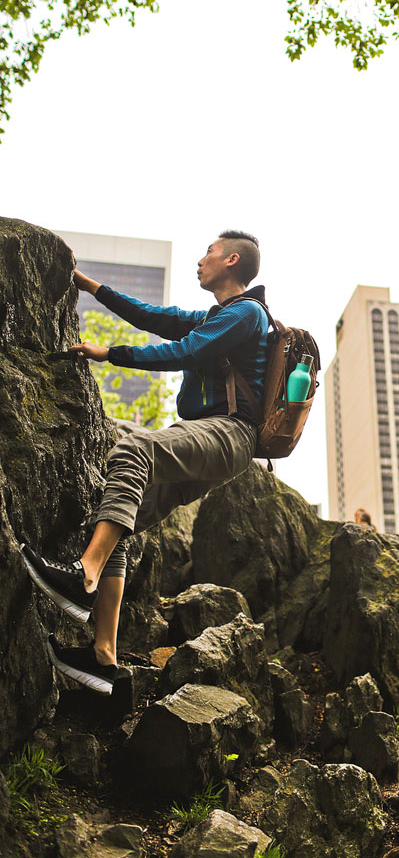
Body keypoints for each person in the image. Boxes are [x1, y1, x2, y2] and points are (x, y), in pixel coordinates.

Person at [21, 230, 269, 695]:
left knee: (134, 449)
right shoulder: (215, 316)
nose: (201, 260)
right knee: (117, 517)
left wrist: (110, 354)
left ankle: (84, 577)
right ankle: (103, 660)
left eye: (209, 253)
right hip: (212, 442)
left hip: (230, 433)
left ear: (232, 260)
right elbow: (156, 317)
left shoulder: (246, 314)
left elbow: (186, 351)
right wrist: (92, 287)